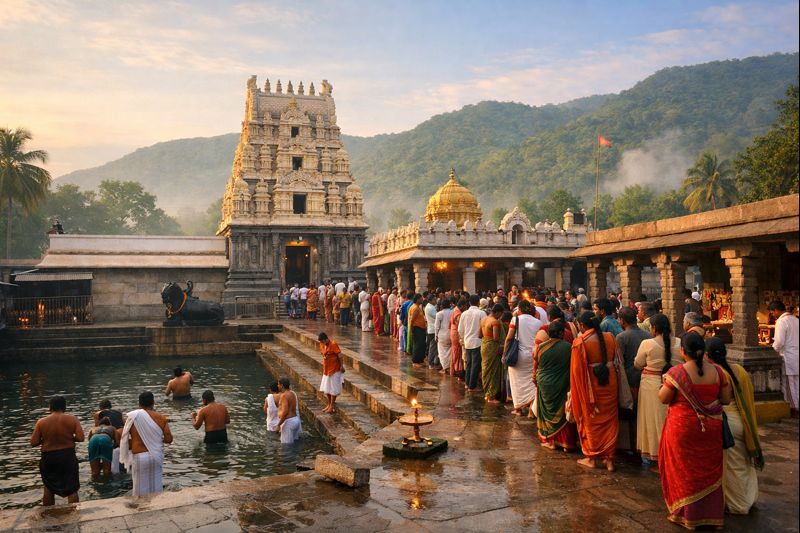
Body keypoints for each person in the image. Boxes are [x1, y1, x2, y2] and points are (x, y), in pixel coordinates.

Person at [658, 333, 732, 529]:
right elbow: (725, 399)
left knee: (685, 470)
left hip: (683, 428)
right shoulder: (718, 371)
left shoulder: (677, 373)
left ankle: (687, 515)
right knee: (709, 470)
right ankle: (711, 516)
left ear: (683, 351)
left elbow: (664, 398)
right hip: (711, 428)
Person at [706, 337, 764, 515]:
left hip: (726, 423)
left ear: (708, 355)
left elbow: (715, 400)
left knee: (731, 466)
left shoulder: (715, 373)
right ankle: (750, 497)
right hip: (741, 421)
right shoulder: (739, 370)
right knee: (744, 462)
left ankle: (738, 504)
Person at [570, 312, 619, 472]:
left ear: (582, 326)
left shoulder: (580, 342)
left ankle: (591, 458)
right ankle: (609, 460)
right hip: (610, 384)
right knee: (610, 420)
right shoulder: (611, 337)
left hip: (591, 387)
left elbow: (577, 374)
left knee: (591, 419)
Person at [634, 313, 682, 465]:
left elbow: (637, 363)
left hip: (651, 385)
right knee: (671, 418)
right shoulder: (679, 342)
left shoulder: (647, 343)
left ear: (654, 328)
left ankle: (654, 452)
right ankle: (672, 451)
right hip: (674, 384)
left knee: (651, 419)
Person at [30, 396, 84, 505]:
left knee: (48, 487)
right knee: (72, 488)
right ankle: (74, 514)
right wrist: (69, 437)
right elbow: (80, 438)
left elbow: (33, 442)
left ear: (50, 407)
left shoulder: (41, 422)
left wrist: (46, 438)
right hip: (67, 455)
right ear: (64, 407)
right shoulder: (72, 419)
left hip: (49, 456)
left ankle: (49, 515)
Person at [120, 391, 173, 497]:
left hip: (139, 457)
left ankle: (141, 511)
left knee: (139, 491)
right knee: (156, 488)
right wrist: (154, 440)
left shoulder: (132, 417)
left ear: (139, 404)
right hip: (156, 456)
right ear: (153, 402)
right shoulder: (161, 418)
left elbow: (125, 437)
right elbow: (169, 439)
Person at [534, 321, 578, 450]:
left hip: (544, 383)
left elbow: (537, 361)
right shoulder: (568, 347)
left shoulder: (540, 347)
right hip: (561, 383)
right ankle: (566, 443)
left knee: (546, 412)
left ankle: (550, 441)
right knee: (563, 412)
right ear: (560, 333)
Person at [615, 306, 651, 450]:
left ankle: (631, 445)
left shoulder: (622, 337)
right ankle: (641, 445)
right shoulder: (648, 335)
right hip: (645, 380)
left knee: (629, 414)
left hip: (629, 381)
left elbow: (619, 362)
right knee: (641, 414)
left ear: (622, 321)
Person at [505, 300, 540, 416]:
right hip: (533, 355)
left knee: (516, 382)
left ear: (519, 309)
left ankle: (518, 409)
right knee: (531, 383)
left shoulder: (516, 319)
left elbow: (509, 338)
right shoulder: (538, 322)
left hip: (518, 356)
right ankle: (531, 410)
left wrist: (505, 353)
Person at [769, 300, 799, 416]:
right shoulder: (795, 319)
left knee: (789, 385)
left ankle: (794, 408)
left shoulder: (782, 321)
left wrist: (772, 351)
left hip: (789, 357)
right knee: (796, 383)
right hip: (796, 355)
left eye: (772, 312)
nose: (772, 315)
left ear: (776, 310)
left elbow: (779, 342)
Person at [480, 304, 506, 404]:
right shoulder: (495, 322)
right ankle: (491, 396)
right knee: (493, 372)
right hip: (492, 347)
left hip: (484, 345)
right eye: (501, 314)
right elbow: (496, 338)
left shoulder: (483, 320)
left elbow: (479, 335)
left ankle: (487, 394)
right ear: (498, 312)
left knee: (486, 369)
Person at [459, 294, 484, 392]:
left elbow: (460, 330)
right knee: (475, 364)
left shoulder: (464, 314)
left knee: (469, 363)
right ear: (478, 303)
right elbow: (484, 327)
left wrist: (463, 339)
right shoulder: (481, 313)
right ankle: (472, 386)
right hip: (477, 341)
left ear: (469, 303)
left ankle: (467, 383)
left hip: (467, 341)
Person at [319, 332, 345, 413]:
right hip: (326, 369)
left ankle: (332, 406)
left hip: (335, 369)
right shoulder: (322, 344)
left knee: (333, 388)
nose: (322, 343)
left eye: (323, 341)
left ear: (326, 339)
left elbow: (340, 356)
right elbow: (322, 353)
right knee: (327, 388)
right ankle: (329, 403)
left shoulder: (333, 344)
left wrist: (342, 366)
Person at [276, 378, 302, 443]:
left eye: (278, 384)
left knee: (286, 447)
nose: (277, 386)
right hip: (295, 420)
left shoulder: (284, 396)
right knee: (294, 443)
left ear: (282, 385)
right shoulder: (292, 394)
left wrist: (278, 425)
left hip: (289, 422)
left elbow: (285, 412)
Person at [435, 297, 453, 374]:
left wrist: (436, 335)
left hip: (442, 335)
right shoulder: (452, 312)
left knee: (442, 352)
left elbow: (436, 326)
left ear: (441, 306)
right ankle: (449, 367)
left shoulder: (439, 314)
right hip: (450, 334)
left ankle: (445, 368)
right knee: (449, 351)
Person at [408, 293, 428, 367]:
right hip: (417, 329)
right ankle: (415, 361)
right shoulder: (415, 308)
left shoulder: (417, 307)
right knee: (417, 345)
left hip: (421, 329)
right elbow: (412, 320)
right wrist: (412, 330)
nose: (422, 299)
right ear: (417, 299)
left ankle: (420, 360)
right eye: (421, 298)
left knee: (421, 345)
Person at [450, 298, 466, 379]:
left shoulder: (456, 310)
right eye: (465, 306)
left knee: (455, 352)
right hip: (456, 333)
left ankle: (454, 370)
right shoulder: (458, 313)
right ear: (462, 306)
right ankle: (458, 371)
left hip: (454, 332)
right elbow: (460, 326)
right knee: (457, 352)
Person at [424, 294, 439, 369]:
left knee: (434, 347)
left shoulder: (431, 307)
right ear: (430, 300)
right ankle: (431, 363)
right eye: (434, 299)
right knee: (432, 347)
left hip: (432, 329)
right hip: (432, 330)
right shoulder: (430, 308)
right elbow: (437, 316)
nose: (436, 300)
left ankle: (435, 362)